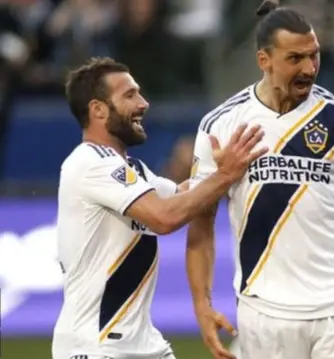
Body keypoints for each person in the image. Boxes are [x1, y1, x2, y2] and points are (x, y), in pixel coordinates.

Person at [186, 1, 334, 359]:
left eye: (314, 56)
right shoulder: (222, 124)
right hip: (264, 313)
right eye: (296, 58)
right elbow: (201, 219)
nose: (310, 68)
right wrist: (202, 304)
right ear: (265, 60)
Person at [52, 57, 266, 359]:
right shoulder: (89, 162)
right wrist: (224, 175)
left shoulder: (132, 169)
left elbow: (186, 195)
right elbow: (165, 217)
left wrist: (222, 168)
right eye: (129, 95)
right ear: (98, 109)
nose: (143, 103)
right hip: (95, 346)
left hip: (143, 345)